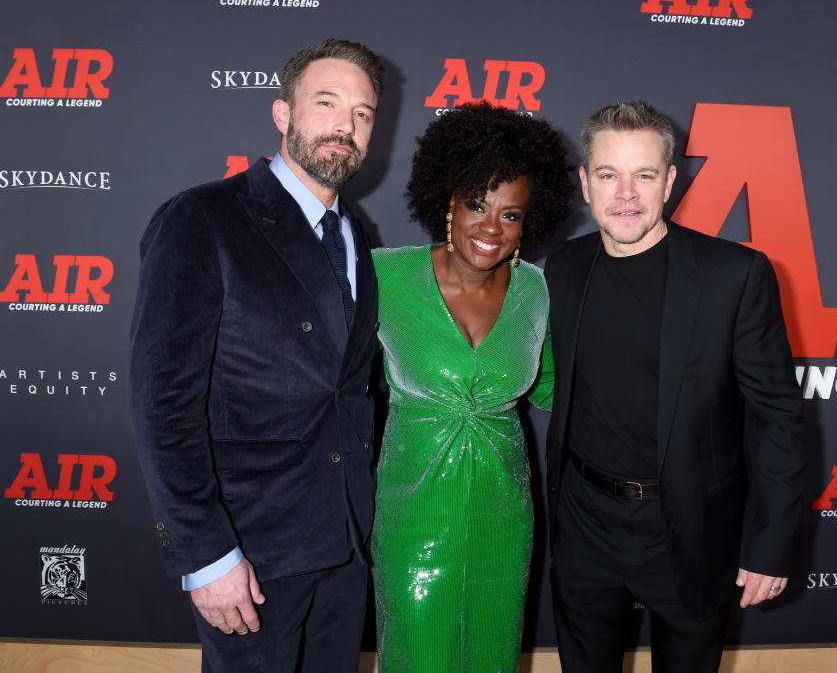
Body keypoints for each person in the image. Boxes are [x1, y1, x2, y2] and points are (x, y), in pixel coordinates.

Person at [129, 40, 384, 673]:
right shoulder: (203, 219)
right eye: (326, 104)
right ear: (282, 113)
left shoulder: (358, 235)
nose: (345, 126)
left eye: (362, 113)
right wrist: (207, 555)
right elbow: (162, 403)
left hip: (346, 544)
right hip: (249, 553)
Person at [544, 100, 806, 672]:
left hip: (688, 530)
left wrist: (770, 544)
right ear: (586, 183)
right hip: (585, 527)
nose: (626, 194)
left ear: (670, 181)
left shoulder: (733, 276)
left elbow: (777, 418)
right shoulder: (561, 268)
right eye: (609, 175)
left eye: (644, 175)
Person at [371, 103, 573, 672]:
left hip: (502, 514)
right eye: (477, 205)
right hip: (412, 510)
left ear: (527, 223)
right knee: (418, 654)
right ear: (448, 203)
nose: (490, 228)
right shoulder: (384, 275)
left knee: (490, 653)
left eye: (510, 215)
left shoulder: (537, 291)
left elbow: (556, 388)